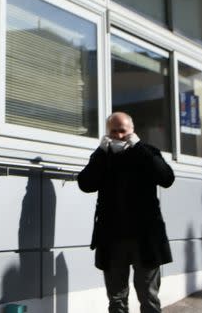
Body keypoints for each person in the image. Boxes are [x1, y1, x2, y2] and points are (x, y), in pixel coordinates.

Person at [77, 112, 175, 313]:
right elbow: (86, 184)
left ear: (132, 131)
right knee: (116, 300)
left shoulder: (147, 152)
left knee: (148, 297)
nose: (119, 135)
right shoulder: (104, 157)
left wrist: (138, 146)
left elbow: (166, 178)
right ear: (107, 133)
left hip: (145, 238)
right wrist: (100, 153)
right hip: (112, 239)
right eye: (114, 131)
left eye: (123, 130)